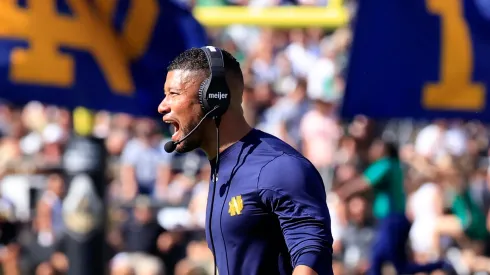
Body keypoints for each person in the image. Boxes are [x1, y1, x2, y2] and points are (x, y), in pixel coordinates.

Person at [158, 46, 333, 275]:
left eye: (174, 93)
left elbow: (311, 264)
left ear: (213, 98)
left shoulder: (279, 167)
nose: (162, 106)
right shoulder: (222, 168)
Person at [335, 138, 454, 275]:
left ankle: (441, 264)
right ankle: (440, 264)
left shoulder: (385, 164)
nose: (372, 150)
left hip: (391, 220)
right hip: (397, 219)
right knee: (395, 264)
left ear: (384, 150)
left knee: (379, 259)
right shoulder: (397, 166)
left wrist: (340, 193)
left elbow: (364, 183)